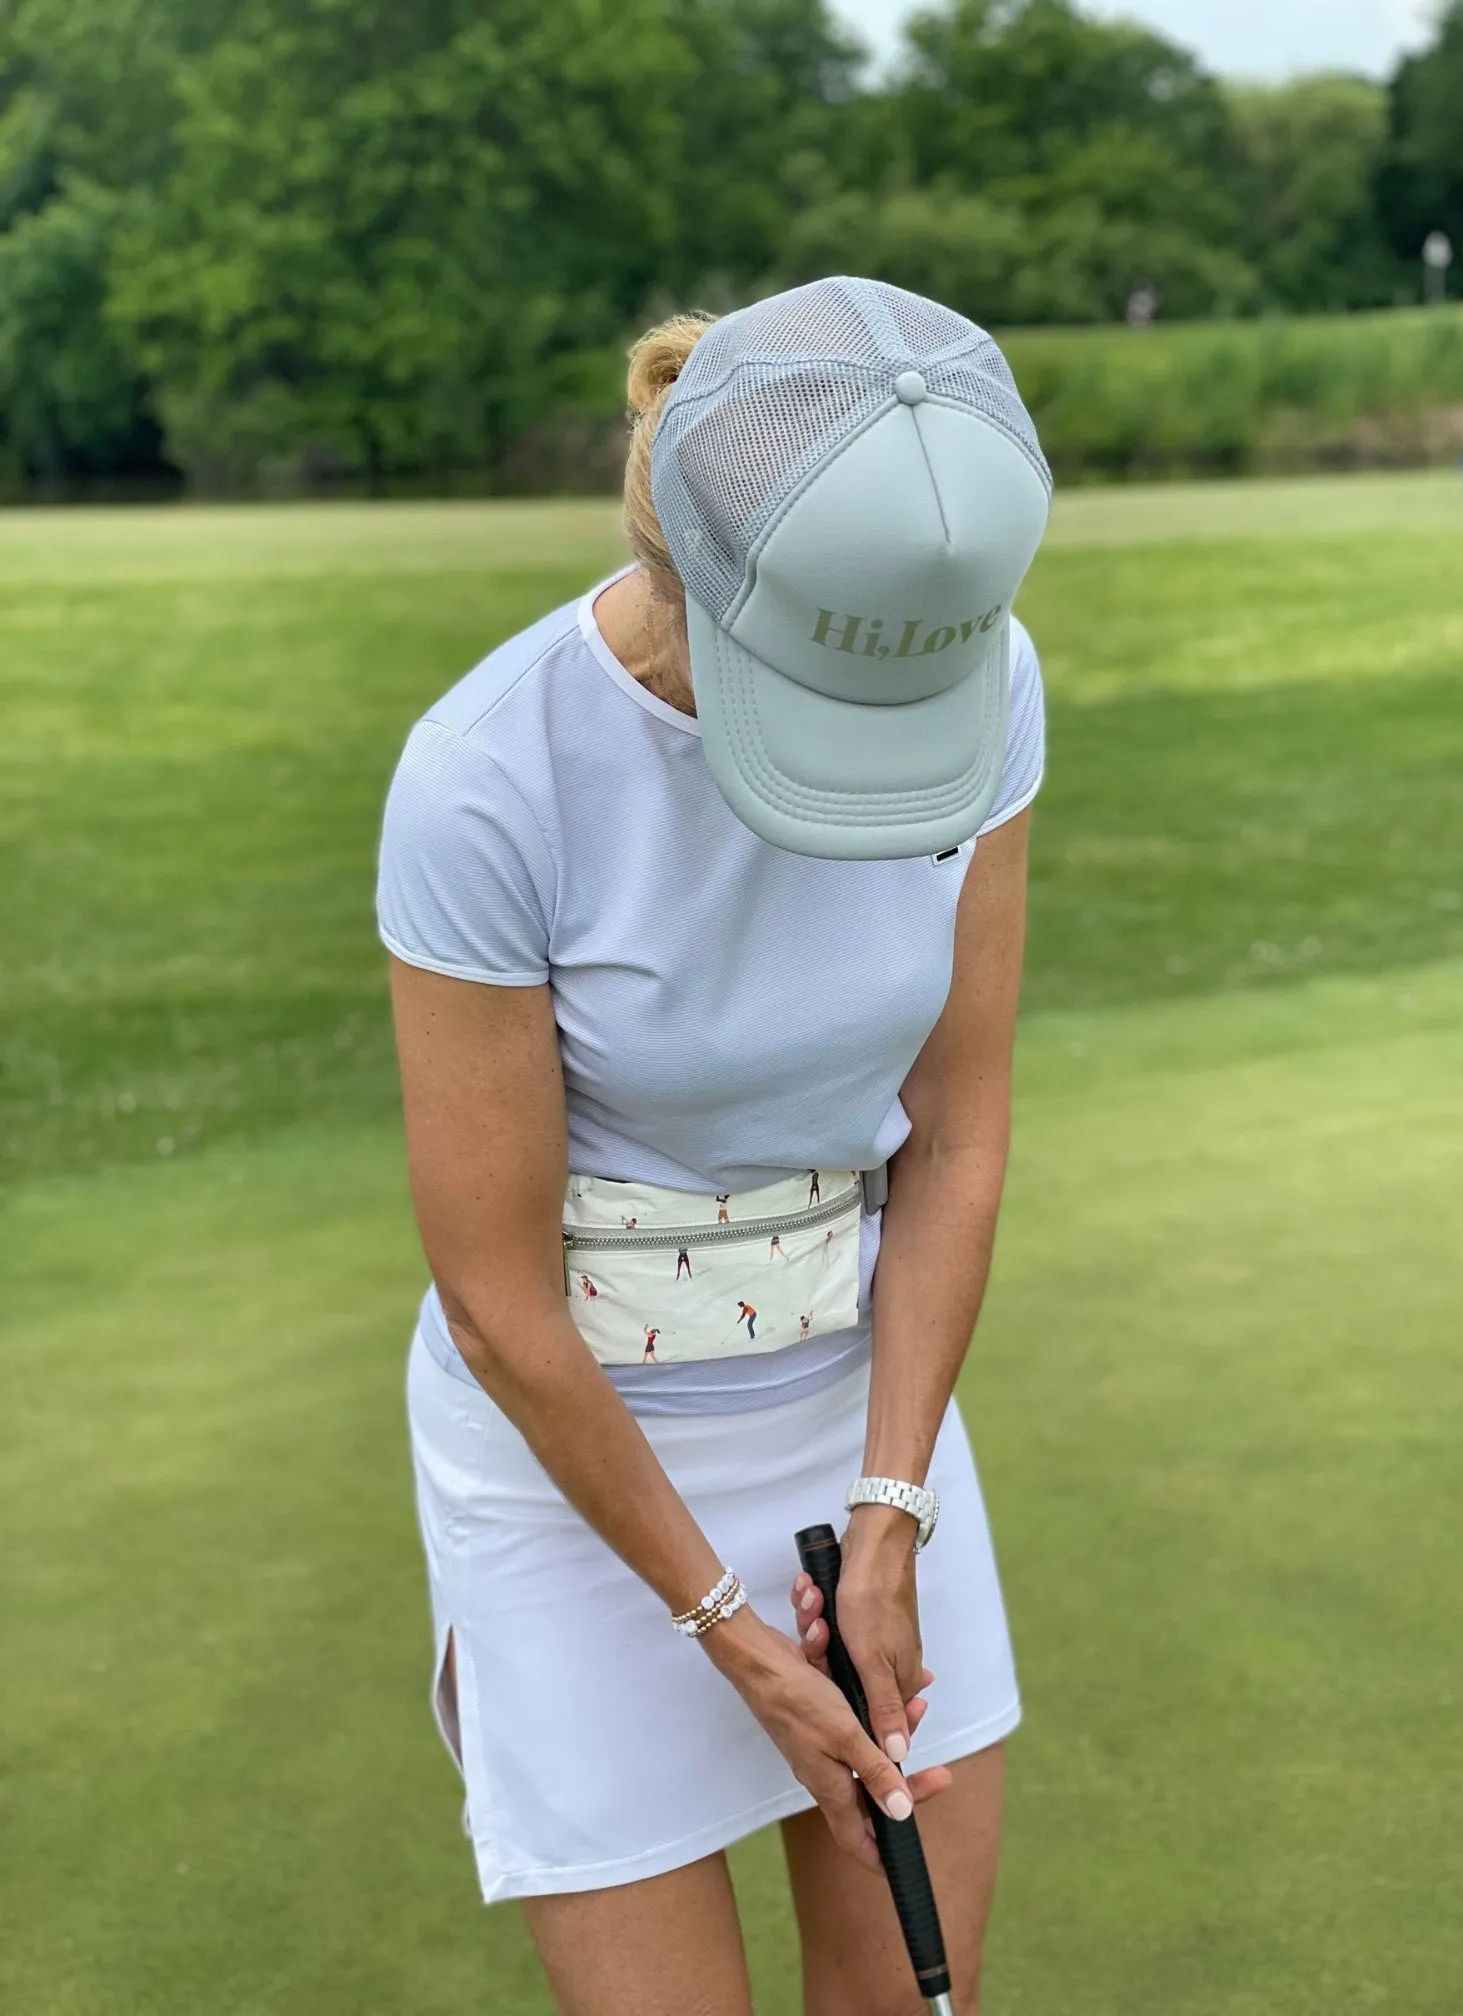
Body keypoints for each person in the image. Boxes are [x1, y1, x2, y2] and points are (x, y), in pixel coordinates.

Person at [378, 276, 1050, 2016]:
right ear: (689, 567)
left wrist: (891, 1506)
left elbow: (958, 1129)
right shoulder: (487, 775)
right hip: (577, 1467)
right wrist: (718, 1628)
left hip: (860, 1418)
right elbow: (494, 1291)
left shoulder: (979, 676)